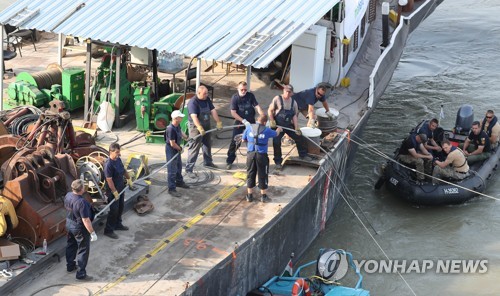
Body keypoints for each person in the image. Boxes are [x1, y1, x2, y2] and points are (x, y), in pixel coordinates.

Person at [268, 84, 311, 170]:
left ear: (292, 93)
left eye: (289, 92)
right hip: (277, 125)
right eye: (286, 91)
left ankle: (303, 155)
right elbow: (270, 110)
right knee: (276, 142)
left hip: (287, 125)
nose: (287, 94)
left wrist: (296, 128)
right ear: (283, 91)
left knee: (299, 137)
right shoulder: (277, 99)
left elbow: (294, 116)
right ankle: (278, 162)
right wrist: (272, 120)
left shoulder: (293, 103)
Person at [242, 114, 282, 203]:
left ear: (257, 120)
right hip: (261, 155)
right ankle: (263, 196)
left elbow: (243, 140)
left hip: (250, 155)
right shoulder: (267, 130)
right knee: (262, 174)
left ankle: (249, 196)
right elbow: (276, 134)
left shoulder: (249, 128)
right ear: (264, 122)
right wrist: (278, 129)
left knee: (250, 173)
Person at [186, 85, 223, 178]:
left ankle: (208, 162)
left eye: (207, 93)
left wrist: (218, 122)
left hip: (206, 125)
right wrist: (199, 127)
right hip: (196, 127)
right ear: (198, 93)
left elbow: (213, 111)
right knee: (194, 148)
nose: (207, 95)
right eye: (205, 93)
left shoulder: (207, 99)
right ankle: (189, 169)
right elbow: (194, 117)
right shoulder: (193, 102)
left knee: (207, 144)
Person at [226, 81, 264, 170]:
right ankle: (229, 161)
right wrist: (243, 121)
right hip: (240, 123)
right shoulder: (235, 98)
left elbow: (257, 107)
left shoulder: (250, 96)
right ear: (238, 89)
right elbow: (233, 113)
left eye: (245, 90)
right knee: (235, 142)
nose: (243, 91)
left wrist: (262, 116)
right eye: (242, 89)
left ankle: (253, 161)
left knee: (254, 141)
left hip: (251, 122)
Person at [65, 179, 97, 281]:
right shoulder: (81, 202)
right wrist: (92, 232)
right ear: (82, 189)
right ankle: (81, 274)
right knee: (83, 249)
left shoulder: (68, 195)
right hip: (79, 228)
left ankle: (70, 266)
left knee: (71, 245)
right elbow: (86, 220)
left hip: (69, 223)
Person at [103, 143, 135, 239]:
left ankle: (117, 224)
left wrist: (129, 179)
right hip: (113, 191)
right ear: (111, 152)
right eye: (117, 152)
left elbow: (123, 170)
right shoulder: (108, 164)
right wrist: (114, 192)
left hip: (120, 187)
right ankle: (108, 230)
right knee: (114, 210)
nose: (119, 154)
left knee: (121, 207)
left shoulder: (118, 160)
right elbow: (109, 179)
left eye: (119, 151)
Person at [165, 110, 190, 197]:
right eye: (180, 117)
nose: (182, 118)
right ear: (176, 118)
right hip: (171, 149)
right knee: (172, 170)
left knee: (179, 166)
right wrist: (180, 148)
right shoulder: (170, 129)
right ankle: (171, 189)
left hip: (176, 148)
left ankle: (179, 182)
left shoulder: (177, 125)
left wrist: (186, 137)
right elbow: (172, 143)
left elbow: (181, 131)